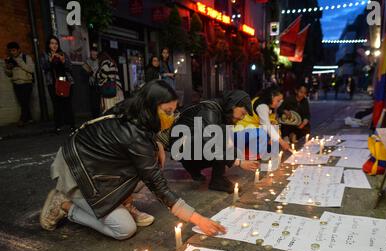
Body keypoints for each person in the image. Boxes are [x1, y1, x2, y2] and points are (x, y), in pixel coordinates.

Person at [40, 80, 226, 240]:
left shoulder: (136, 111)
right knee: (124, 229)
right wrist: (198, 219)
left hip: (100, 165)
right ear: (151, 107)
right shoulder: (134, 136)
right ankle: (64, 204)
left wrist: (158, 145)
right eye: (167, 112)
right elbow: (157, 184)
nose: (172, 117)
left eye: (174, 111)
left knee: (155, 154)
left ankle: (123, 202)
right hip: (78, 169)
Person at [162, 90, 259, 194]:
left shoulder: (223, 112)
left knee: (225, 140)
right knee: (220, 134)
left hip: (192, 145)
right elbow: (208, 143)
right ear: (233, 105)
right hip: (182, 146)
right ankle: (217, 180)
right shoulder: (209, 110)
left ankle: (193, 166)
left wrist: (239, 157)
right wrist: (238, 162)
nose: (242, 118)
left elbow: (228, 145)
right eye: (243, 113)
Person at [236, 87, 290, 158]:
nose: (278, 103)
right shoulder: (262, 106)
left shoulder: (268, 104)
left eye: (280, 101)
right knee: (267, 136)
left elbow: (271, 123)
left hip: (254, 129)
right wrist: (281, 142)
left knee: (273, 136)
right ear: (271, 97)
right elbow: (267, 126)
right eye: (278, 100)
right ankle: (252, 154)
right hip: (243, 130)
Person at [41, 36, 75, 133]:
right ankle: (58, 126)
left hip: (65, 81)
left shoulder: (63, 54)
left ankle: (71, 125)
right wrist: (50, 61)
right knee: (56, 105)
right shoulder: (45, 55)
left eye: (56, 43)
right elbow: (44, 67)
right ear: (48, 45)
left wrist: (64, 61)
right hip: (53, 83)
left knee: (67, 103)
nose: (54, 45)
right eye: (52, 43)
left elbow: (70, 67)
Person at [4, 42, 35, 127]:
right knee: (23, 102)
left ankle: (22, 120)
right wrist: (8, 68)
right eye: (10, 51)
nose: (12, 52)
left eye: (14, 50)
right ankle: (30, 119)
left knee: (24, 101)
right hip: (16, 84)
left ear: (18, 50)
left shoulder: (26, 57)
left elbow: (31, 69)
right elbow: (9, 74)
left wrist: (19, 62)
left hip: (26, 83)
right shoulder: (10, 59)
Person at [82, 45, 101, 118]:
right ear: (90, 53)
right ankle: (94, 116)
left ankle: (98, 115)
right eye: (92, 53)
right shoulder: (87, 61)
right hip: (91, 84)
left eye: (95, 54)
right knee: (92, 101)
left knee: (97, 101)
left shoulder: (99, 61)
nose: (94, 55)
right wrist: (88, 72)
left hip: (98, 83)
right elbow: (85, 70)